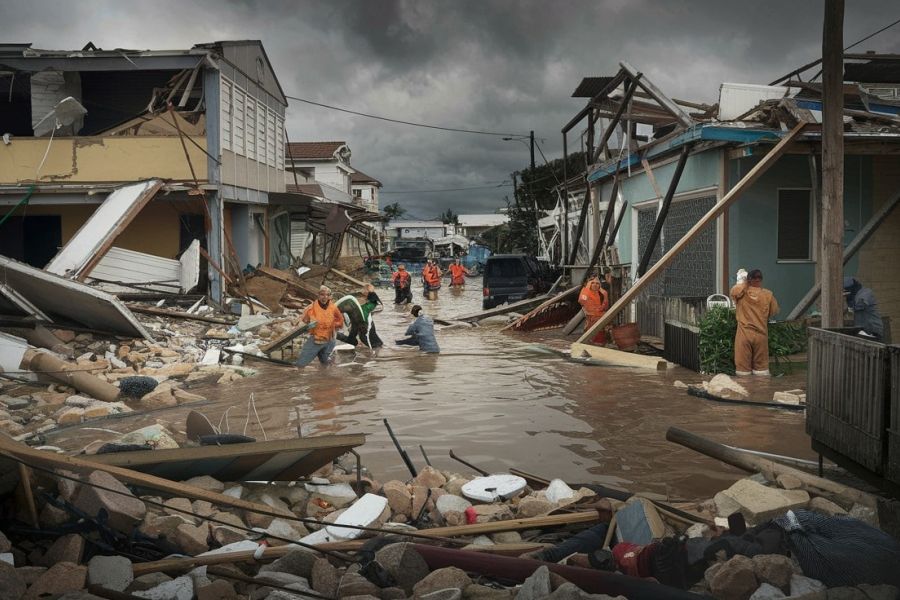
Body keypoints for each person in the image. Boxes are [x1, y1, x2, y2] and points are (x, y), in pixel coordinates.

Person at [730, 268, 780, 376]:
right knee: (761, 370)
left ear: (749, 280)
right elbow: (773, 311)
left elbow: (734, 291)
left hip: (744, 334)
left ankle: (745, 390)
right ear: (761, 280)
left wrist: (744, 283)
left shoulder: (742, 293)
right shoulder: (768, 295)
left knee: (742, 371)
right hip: (761, 335)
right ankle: (760, 391)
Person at [295, 285, 344, 368]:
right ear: (318, 295)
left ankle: (325, 379)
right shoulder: (310, 308)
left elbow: (340, 321)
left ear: (330, 296)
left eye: (327, 295)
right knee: (300, 365)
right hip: (316, 341)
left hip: (329, 341)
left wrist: (333, 325)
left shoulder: (333, 307)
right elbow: (303, 321)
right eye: (322, 294)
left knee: (326, 365)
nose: (325, 297)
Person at [338, 284, 384, 348]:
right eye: (365, 290)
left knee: (374, 343)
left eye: (368, 291)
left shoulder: (372, 302)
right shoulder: (355, 298)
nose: (366, 292)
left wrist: (371, 292)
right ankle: (338, 336)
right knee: (352, 339)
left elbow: (374, 307)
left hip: (365, 325)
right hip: (355, 323)